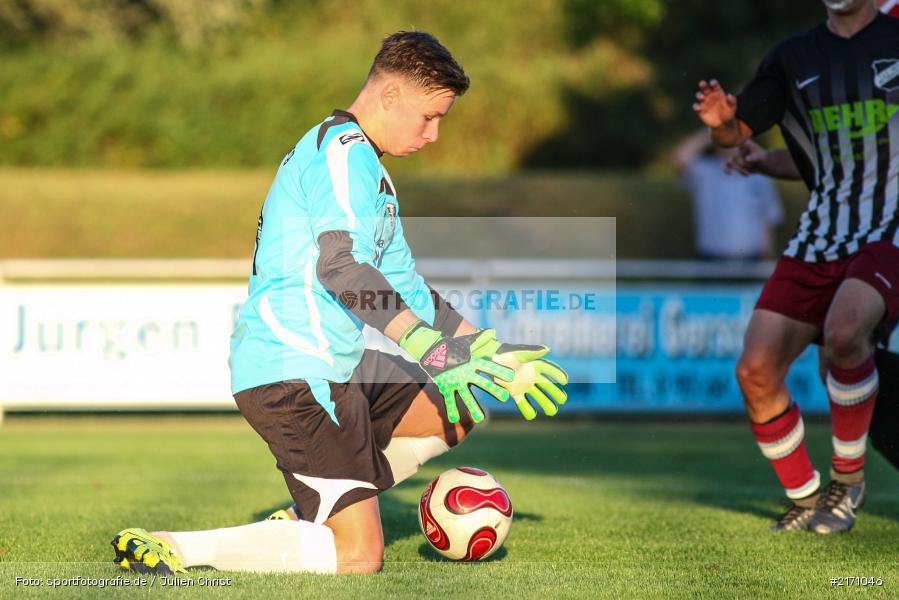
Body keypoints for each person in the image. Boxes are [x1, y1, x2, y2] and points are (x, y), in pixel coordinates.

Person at [109, 31, 568, 575]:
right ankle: (174, 545)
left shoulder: (369, 169)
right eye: (429, 117)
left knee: (459, 404)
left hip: (338, 364)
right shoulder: (341, 154)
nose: (434, 134)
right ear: (390, 95)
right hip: (294, 370)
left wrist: (491, 354)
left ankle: (314, 513)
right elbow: (341, 269)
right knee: (358, 556)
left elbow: (409, 288)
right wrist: (431, 349)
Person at [693, 0, 899, 533]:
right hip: (820, 235)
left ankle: (847, 483)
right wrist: (723, 125)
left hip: (889, 231)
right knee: (755, 372)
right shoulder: (794, 57)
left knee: (845, 334)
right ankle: (806, 497)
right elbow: (737, 134)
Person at [672, 129, 783, 261]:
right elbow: (680, 157)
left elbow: (767, 219)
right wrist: (714, 130)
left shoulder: (760, 176)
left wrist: (766, 259)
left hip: (751, 259)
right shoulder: (705, 170)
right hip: (711, 258)